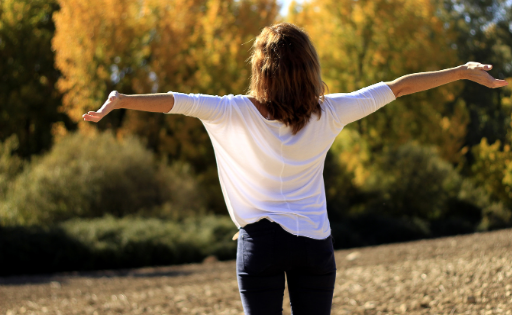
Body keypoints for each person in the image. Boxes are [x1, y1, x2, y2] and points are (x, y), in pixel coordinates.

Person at [83, 23, 507, 315]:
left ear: (260, 69)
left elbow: (176, 100)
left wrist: (121, 100)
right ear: (310, 69)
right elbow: (400, 86)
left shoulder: (231, 112)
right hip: (314, 245)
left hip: (259, 245)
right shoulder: (332, 112)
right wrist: (462, 72)